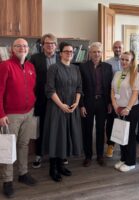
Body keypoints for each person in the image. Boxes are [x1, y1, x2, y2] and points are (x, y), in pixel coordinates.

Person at [0, 38, 37, 198]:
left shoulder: (30, 67)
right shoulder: (5, 66)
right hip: (11, 115)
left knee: (24, 144)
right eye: (18, 46)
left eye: (24, 46)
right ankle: (7, 181)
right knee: (8, 147)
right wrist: (1, 114)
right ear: (11, 50)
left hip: (29, 112)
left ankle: (23, 173)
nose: (22, 48)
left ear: (28, 49)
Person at [42, 42, 82, 182]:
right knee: (56, 137)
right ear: (60, 53)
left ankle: (61, 165)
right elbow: (50, 90)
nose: (69, 53)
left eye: (71, 51)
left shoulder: (76, 69)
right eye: (66, 51)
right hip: (56, 108)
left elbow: (79, 88)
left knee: (65, 137)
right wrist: (61, 105)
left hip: (71, 108)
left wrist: (76, 103)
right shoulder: (53, 68)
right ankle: (53, 168)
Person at [79, 42, 113, 167]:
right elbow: (80, 87)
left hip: (102, 103)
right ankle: (88, 156)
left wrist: (109, 103)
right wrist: (81, 105)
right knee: (87, 129)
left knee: (100, 129)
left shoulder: (107, 67)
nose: (96, 54)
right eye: (94, 52)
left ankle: (100, 155)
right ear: (90, 53)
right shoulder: (82, 67)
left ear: (101, 53)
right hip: (87, 103)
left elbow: (109, 87)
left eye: (99, 51)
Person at [30, 33, 61, 168]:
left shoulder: (61, 58)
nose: (50, 46)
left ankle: (60, 153)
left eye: (52, 43)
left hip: (59, 99)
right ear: (42, 45)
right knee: (41, 127)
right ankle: (39, 154)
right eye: (47, 43)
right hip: (41, 99)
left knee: (59, 126)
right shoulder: (34, 58)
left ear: (56, 46)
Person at [111, 51, 139, 172]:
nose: (123, 62)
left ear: (131, 61)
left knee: (130, 136)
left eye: (126, 60)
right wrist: (114, 105)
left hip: (131, 109)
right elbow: (112, 90)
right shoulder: (117, 73)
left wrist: (128, 108)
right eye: (122, 59)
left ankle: (131, 162)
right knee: (120, 134)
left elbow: (135, 93)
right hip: (118, 108)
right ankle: (123, 158)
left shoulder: (135, 74)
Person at [105, 41, 123, 158]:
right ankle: (110, 145)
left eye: (119, 47)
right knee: (110, 122)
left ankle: (123, 146)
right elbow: (106, 84)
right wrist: (109, 102)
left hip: (126, 98)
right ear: (112, 49)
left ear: (123, 48)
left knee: (123, 122)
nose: (117, 49)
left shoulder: (129, 62)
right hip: (112, 97)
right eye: (115, 47)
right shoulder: (107, 63)